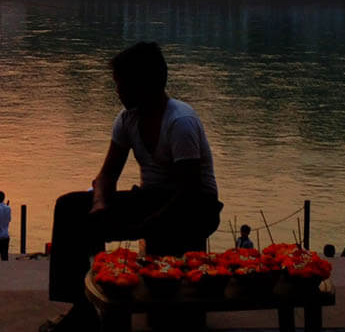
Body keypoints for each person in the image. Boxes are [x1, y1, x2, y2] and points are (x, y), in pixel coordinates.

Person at [46, 42, 223, 330]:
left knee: (168, 313)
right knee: (70, 207)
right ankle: (83, 305)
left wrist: (147, 224)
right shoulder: (127, 120)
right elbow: (106, 176)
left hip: (194, 206)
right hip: (152, 200)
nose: (117, 92)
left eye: (122, 85)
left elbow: (188, 190)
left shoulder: (181, 122)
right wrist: (100, 202)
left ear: (144, 84)